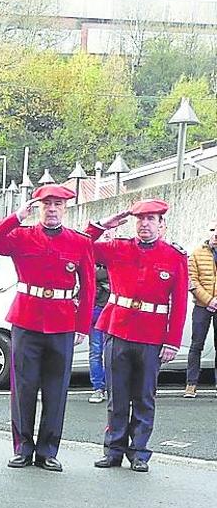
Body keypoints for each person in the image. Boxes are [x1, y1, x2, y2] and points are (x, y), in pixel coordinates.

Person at [0, 184, 95, 472]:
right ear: (39, 207)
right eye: (47, 204)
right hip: (27, 319)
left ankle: (48, 450)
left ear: (65, 208)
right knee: (23, 387)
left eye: (58, 204)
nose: (52, 209)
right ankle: (23, 447)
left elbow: (88, 288)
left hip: (61, 322)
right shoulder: (22, 236)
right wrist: (17, 216)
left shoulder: (79, 242)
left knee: (56, 390)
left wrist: (82, 325)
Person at [87, 200, 188, 472]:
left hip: (151, 335)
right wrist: (103, 226)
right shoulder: (118, 247)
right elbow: (83, 248)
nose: (145, 224)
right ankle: (113, 450)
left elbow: (178, 303)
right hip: (118, 329)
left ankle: (140, 452)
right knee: (116, 395)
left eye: (151, 219)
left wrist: (172, 341)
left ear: (161, 224)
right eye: (140, 219)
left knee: (144, 396)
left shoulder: (175, 257)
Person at [185, 222, 217, 397]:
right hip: (201, 306)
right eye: (213, 231)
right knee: (196, 345)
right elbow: (192, 281)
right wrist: (209, 300)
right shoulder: (197, 254)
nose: (215, 235)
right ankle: (191, 384)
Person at [87, 244, 111, 404]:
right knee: (102, 352)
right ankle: (101, 388)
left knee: (99, 352)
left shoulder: (93, 263)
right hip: (101, 310)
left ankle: (99, 388)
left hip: (103, 310)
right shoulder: (103, 265)